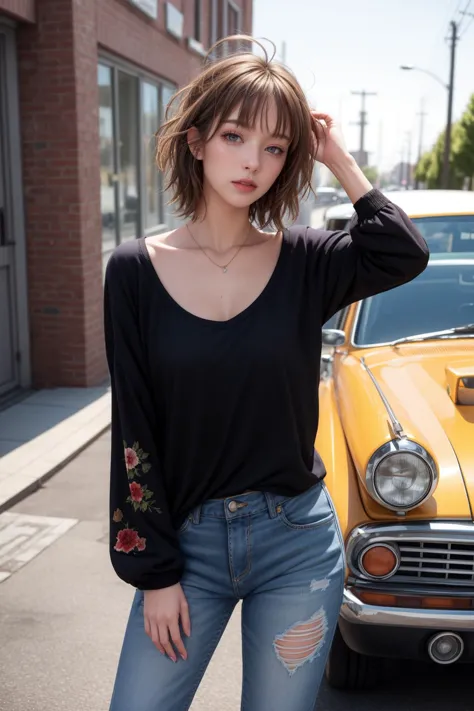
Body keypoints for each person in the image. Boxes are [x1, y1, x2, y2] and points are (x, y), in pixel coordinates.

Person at [104, 35, 429, 711]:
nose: (254, 160)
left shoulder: (308, 261)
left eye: (277, 146)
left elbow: (403, 251)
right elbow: (135, 430)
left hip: (297, 543)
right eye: (234, 135)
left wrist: (335, 155)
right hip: (187, 546)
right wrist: (156, 572)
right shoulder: (134, 270)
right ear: (196, 142)